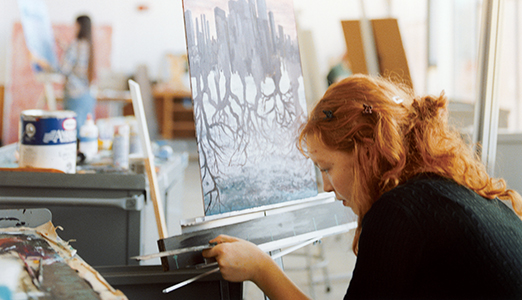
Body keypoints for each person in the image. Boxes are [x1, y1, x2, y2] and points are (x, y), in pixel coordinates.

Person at [203, 74, 522, 299]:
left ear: (366, 151)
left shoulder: (400, 211)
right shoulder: (448, 190)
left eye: (327, 168)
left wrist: (261, 268)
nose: (326, 187)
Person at [60, 15, 96, 133]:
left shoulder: (75, 45)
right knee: (86, 132)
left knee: (72, 132)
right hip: (88, 94)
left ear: (79, 26)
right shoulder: (89, 45)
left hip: (74, 94)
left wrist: (45, 64)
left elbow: (64, 69)